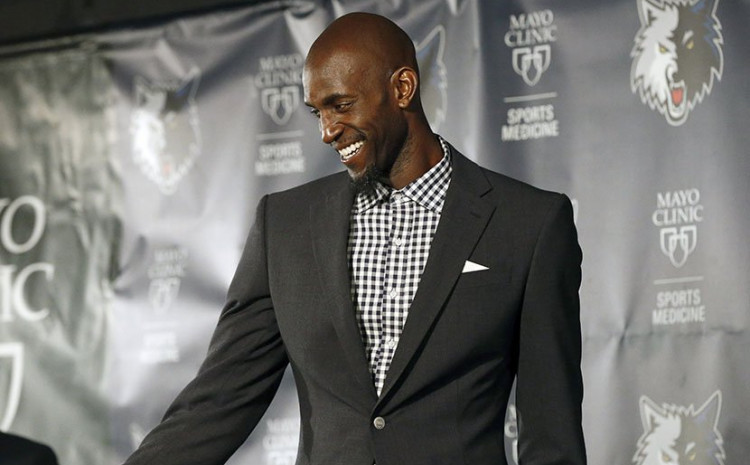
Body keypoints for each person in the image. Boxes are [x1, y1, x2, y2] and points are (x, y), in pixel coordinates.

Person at [124, 12, 585, 465]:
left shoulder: (528, 223)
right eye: (317, 112)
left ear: (402, 88)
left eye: (341, 105)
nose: (327, 132)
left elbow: (552, 431)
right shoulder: (284, 226)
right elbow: (220, 399)